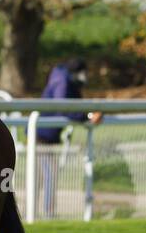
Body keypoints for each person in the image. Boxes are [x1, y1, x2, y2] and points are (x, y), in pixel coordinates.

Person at [37, 58, 103, 217]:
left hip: (43, 134)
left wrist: (89, 113)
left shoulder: (65, 79)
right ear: (77, 72)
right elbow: (64, 108)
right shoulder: (63, 81)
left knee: (43, 177)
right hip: (41, 135)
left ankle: (40, 213)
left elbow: (76, 105)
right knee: (48, 176)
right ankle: (48, 213)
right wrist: (88, 116)